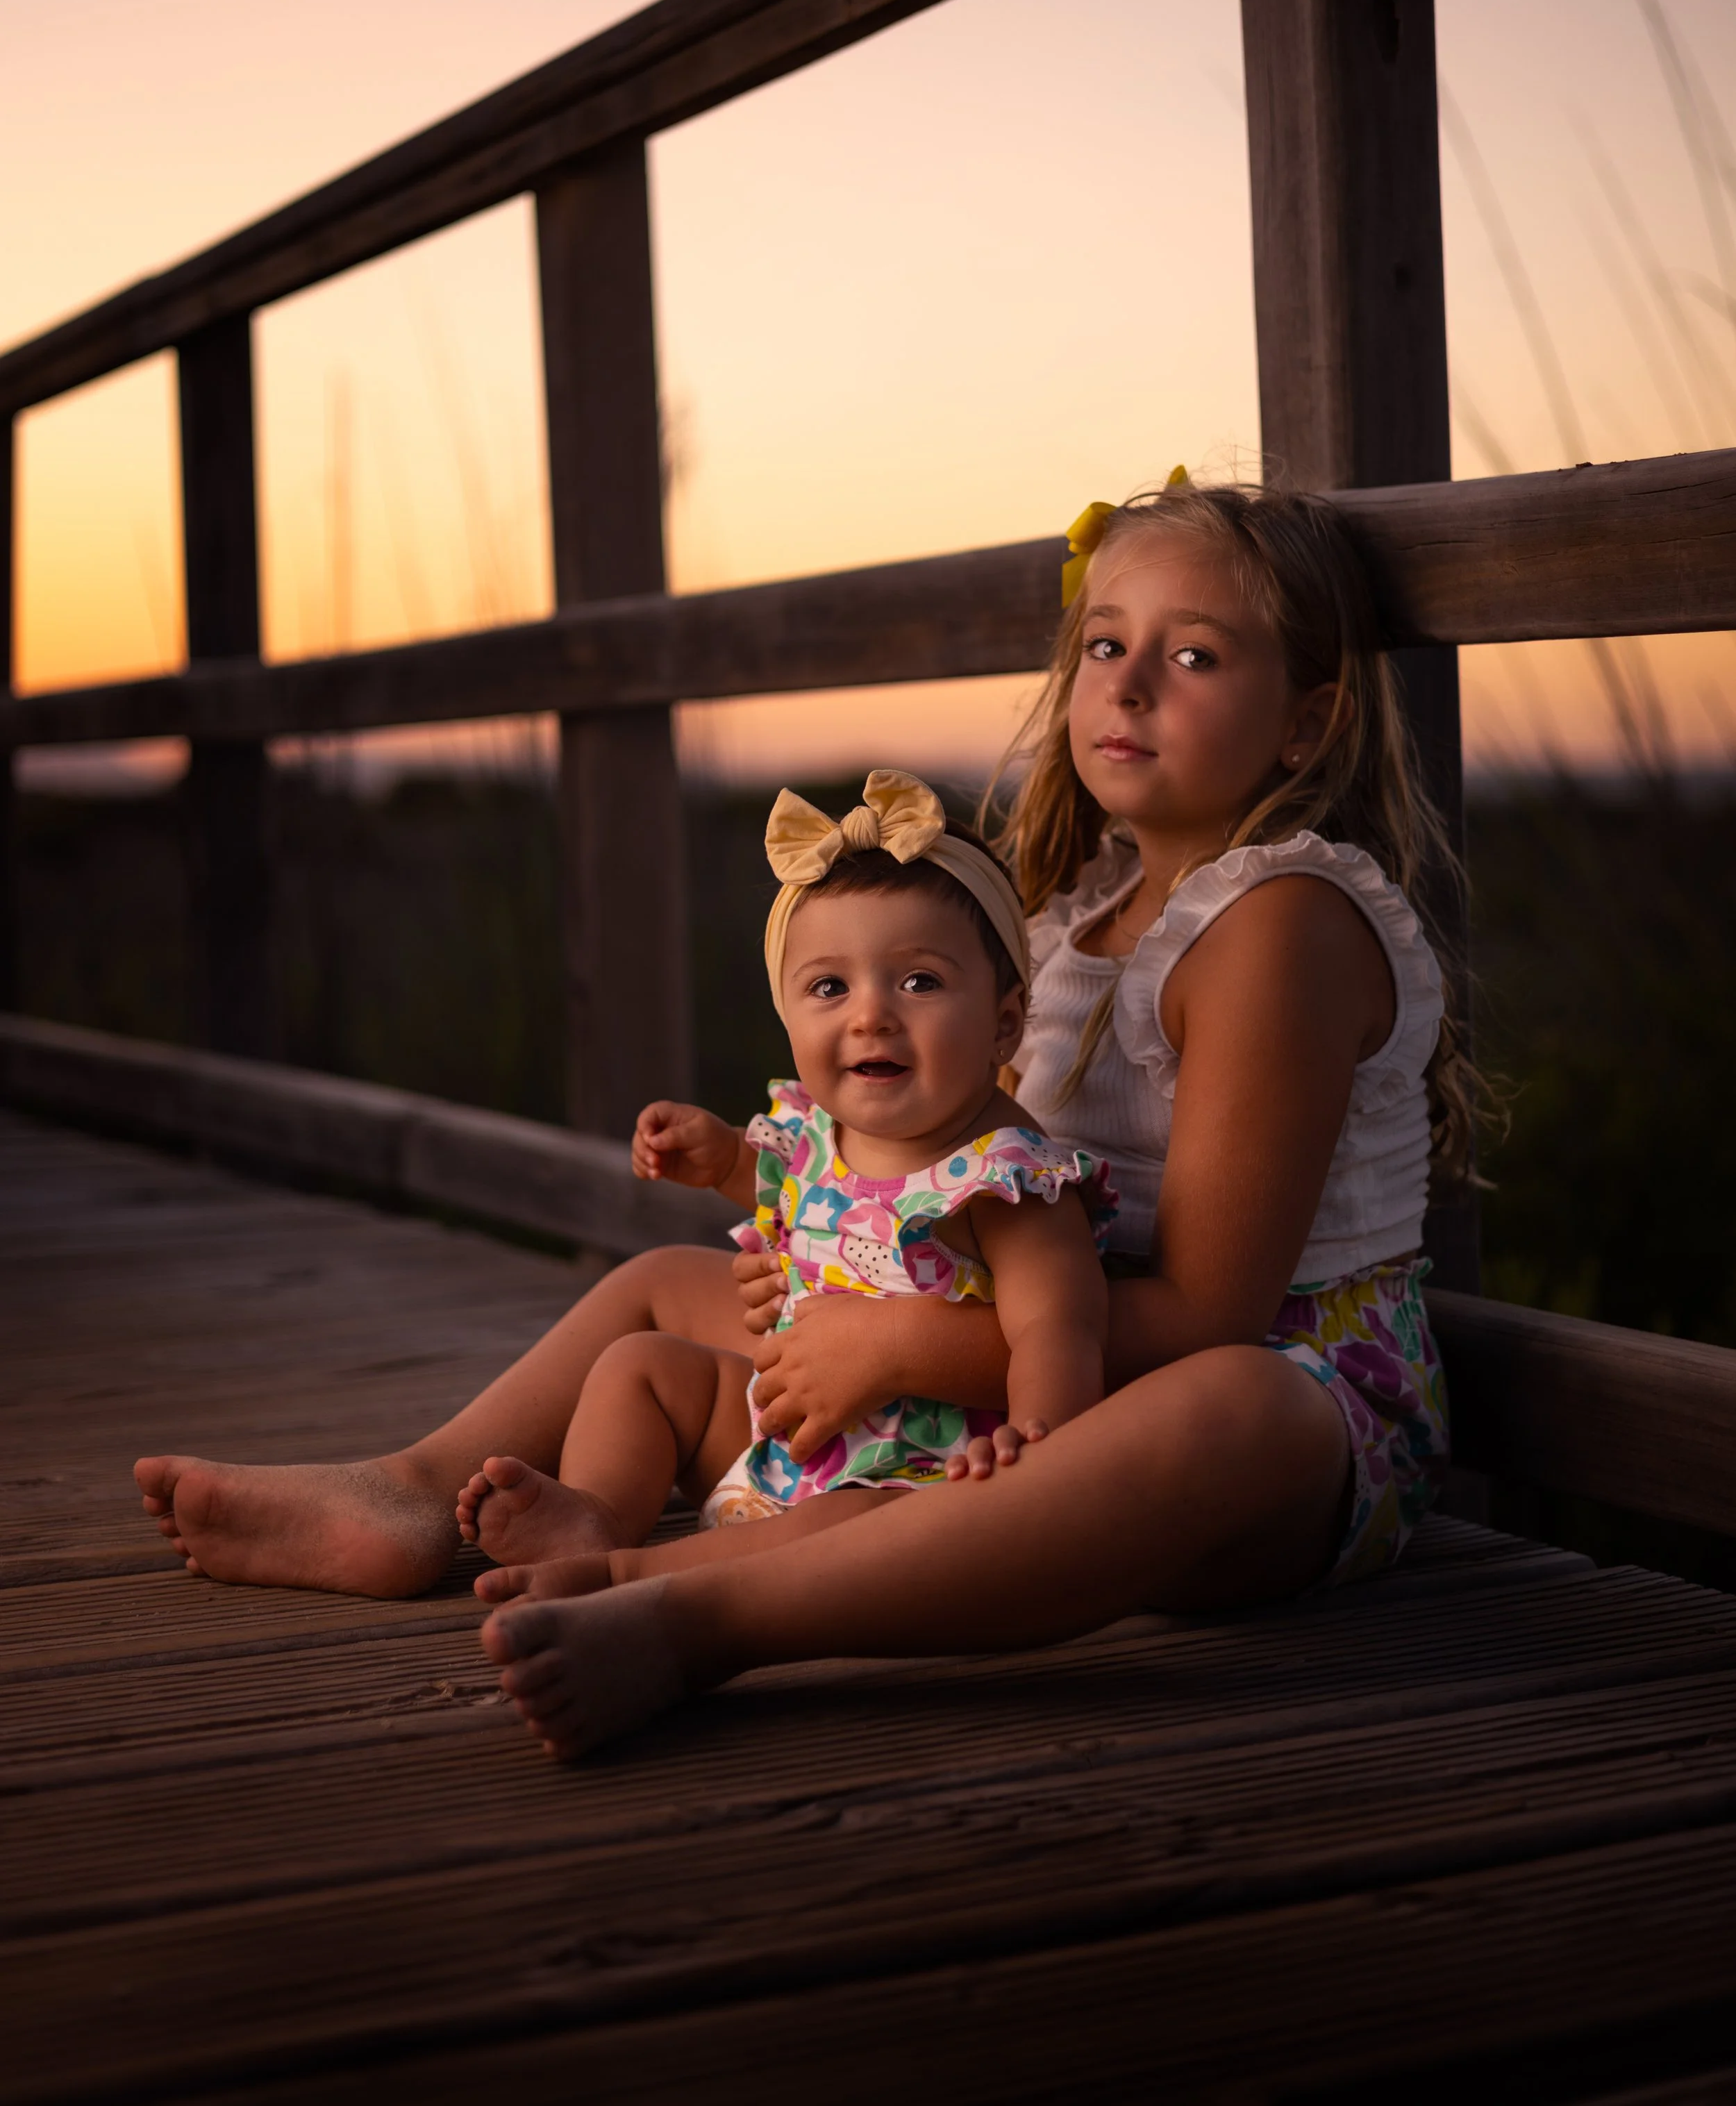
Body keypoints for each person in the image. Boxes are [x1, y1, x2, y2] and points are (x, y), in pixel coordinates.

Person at [471, 476, 1477, 1755]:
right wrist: (832, 1261)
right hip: (1034, 1358)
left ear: (1306, 722)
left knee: (1230, 1406)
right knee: (672, 1284)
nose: (1128, 684)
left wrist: (891, 1345)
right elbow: (954, 1168)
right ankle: (419, 1489)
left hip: (1272, 1401)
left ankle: (696, 1618)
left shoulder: (1282, 925)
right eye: (1107, 645)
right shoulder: (1069, 919)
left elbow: (1211, 1315)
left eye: (1195, 656)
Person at [451, 771, 1114, 1578]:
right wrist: (721, 1156)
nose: (870, 1013)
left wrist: (1037, 1445)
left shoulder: (1005, 1176)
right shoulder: (816, 1131)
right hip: (786, 1436)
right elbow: (779, 1179)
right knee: (642, 1365)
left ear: (1004, 1022)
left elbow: (1058, 1326)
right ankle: (596, 1511)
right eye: (830, 987)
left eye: (919, 981)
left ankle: (654, 1579)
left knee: (854, 1522)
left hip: (917, 1470)